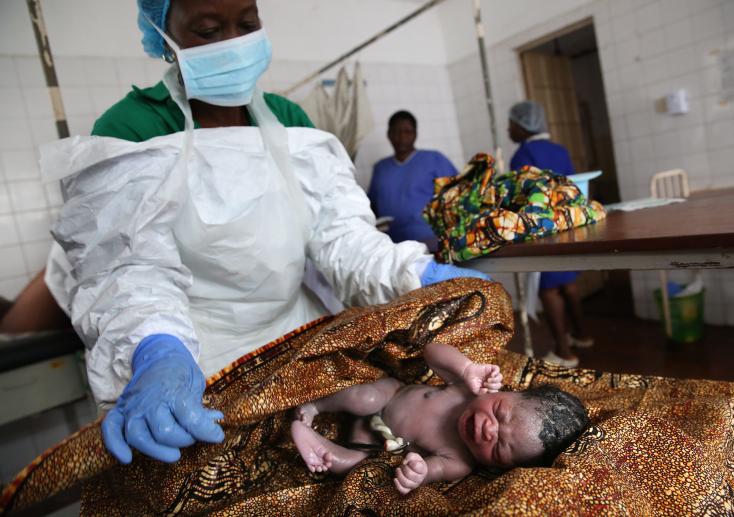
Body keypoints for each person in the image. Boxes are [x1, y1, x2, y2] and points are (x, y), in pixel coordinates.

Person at [43, 0, 489, 466]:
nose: (234, 44)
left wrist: (414, 270)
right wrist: (155, 349)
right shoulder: (132, 129)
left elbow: (342, 239)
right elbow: (128, 270)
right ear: (165, 35)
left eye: (248, 24)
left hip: (298, 339)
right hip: (194, 359)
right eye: (210, 30)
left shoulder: (289, 122)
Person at [291, 341, 588, 494]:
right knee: (362, 398)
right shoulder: (467, 390)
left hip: (378, 442)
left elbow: (429, 472)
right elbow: (432, 352)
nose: (487, 430)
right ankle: (317, 407)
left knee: (358, 467)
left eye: (498, 448)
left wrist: (417, 472)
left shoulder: (459, 461)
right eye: (498, 413)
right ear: (507, 391)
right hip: (390, 395)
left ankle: (318, 446)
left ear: (499, 468)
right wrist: (465, 367)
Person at [508, 101, 594, 368]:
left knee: (549, 290)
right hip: (567, 223)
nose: (508, 129)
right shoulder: (559, 149)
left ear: (523, 126)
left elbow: (522, 197)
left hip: (542, 228)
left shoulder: (523, 154)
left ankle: (565, 352)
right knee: (568, 284)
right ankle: (582, 335)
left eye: (511, 124)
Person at [367, 111, 458, 250]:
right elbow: (372, 206)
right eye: (396, 132)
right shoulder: (380, 168)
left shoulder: (434, 159)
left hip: (430, 240)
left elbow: (458, 195)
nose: (402, 137)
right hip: (391, 245)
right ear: (389, 135)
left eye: (407, 132)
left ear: (415, 134)